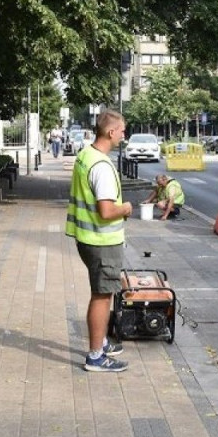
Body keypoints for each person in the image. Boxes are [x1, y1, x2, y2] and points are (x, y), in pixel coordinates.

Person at [65, 109, 132, 372]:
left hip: (87, 238)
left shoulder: (85, 155)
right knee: (102, 296)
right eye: (122, 130)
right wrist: (126, 208)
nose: (124, 134)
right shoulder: (102, 167)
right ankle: (95, 356)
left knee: (101, 294)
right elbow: (106, 211)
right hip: (102, 241)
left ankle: (100, 342)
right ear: (111, 132)